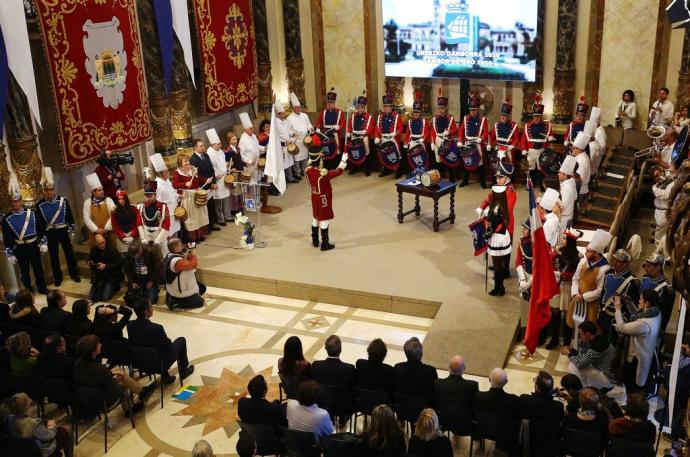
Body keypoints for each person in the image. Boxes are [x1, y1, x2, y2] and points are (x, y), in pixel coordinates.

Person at [73, 334, 153, 415]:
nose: (100, 345)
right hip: (104, 401)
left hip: (88, 400)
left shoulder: (77, 364)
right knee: (122, 381)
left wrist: (112, 376)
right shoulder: (100, 369)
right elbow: (112, 389)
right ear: (93, 351)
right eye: (98, 345)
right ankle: (130, 408)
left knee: (118, 371)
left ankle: (140, 390)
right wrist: (116, 379)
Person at [127, 297, 195, 384]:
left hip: (139, 362)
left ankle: (166, 376)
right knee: (181, 340)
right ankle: (184, 371)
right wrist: (169, 341)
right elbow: (168, 348)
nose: (153, 308)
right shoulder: (156, 328)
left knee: (154, 348)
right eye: (151, 307)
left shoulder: (130, 325)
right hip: (158, 365)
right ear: (146, 312)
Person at [3, 176, 48, 294]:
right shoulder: (6, 218)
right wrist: (9, 253)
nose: (15, 204)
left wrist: (43, 242)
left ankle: (42, 288)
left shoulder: (31, 213)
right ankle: (29, 291)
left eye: (16, 201)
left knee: (38, 268)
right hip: (20, 248)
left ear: (21, 201)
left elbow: (41, 229)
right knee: (24, 271)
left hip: (34, 245)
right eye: (12, 202)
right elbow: (7, 237)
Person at [476, 163, 516, 296]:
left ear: (507, 178)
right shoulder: (498, 187)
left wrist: (490, 212)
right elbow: (489, 197)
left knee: (505, 251)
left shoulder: (509, 191)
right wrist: (482, 207)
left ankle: (504, 272)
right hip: (495, 224)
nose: (498, 180)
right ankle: (501, 269)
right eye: (497, 177)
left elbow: (506, 210)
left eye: (501, 177)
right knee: (500, 254)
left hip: (505, 225)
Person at [36, 166, 80, 286]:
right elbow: (40, 224)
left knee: (69, 254)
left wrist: (72, 230)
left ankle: (74, 273)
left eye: (50, 189)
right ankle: (58, 278)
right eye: (46, 190)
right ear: (44, 191)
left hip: (63, 230)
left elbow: (70, 217)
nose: (48, 192)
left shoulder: (63, 201)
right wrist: (43, 238)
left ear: (53, 189)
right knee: (54, 257)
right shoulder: (40, 205)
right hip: (50, 233)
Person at [614, 289, 662, 393]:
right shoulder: (656, 313)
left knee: (632, 387)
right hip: (648, 355)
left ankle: (632, 406)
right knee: (637, 389)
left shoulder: (644, 324)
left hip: (635, 360)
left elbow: (621, 327)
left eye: (640, 299)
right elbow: (637, 315)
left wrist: (617, 309)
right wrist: (629, 302)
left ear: (647, 303)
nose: (639, 301)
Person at [305, 135, 348, 251]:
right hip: (324, 198)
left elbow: (311, 163)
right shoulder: (322, 174)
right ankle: (325, 244)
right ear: (320, 159)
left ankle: (315, 241)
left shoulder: (308, 171)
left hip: (314, 197)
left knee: (316, 217)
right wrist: (343, 161)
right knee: (324, 219)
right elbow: (338, 172)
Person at [568, 229, 612, 338]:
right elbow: (576, 277)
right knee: (575, 325)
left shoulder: (604, 268)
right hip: (577, 298)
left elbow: (599, 291)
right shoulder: (583, 261)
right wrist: (575, 294)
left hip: (591, 303)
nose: (585, 253)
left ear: (596, 253)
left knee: (589, 330)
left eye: (588, 251)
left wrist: (583, 296)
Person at [5, 392, 73, 457]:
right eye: (29, 400)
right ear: (26, 406)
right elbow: (49, 436)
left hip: (20, 450)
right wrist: (51, 426)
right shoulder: (35, 423)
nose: (31, 401)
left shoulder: (8, 419)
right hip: (41, 451)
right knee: (68, 428)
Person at [518, 370, 565, 457]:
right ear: (550, 389)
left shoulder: (524, 399)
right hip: (548, 446)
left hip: (527, 442)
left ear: (536, 387)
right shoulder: (558, 407)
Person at [599, 247, 641, 341]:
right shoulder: (608, 273)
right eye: (614, 260)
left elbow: (632, 307)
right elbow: (603, 292)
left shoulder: (633, 282)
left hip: (618, 319)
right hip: (604, 314)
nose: (614, 263)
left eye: (618, 261)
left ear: (625, 263)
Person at [474, 368, 519, 455]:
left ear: (489, 380)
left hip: (481, 430)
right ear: (506, 382)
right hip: (503, 434)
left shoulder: (479, 396)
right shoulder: (512, 400)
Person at [560, 320, 617, 388]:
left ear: (587, 333)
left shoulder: (597, 346)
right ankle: (588, 386)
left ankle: (583, 390)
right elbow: (585, 357)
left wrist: (569, 354)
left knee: (573, 367)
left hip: (608, 379)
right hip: (610, 374)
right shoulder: (599, 339)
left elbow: (580, 364)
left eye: (580, 334)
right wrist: (573, 351)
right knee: (577, 364)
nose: (579, 337)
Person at [433, 355, 478, 433]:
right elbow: (474, 406)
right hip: (463, 424)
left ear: (449, 368)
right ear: (464, 369)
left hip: (442, 422)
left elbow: (434, 403)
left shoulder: (438, 383)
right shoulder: (472, 386)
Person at [554, 230, 583, 347]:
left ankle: (566, 343)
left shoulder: (578, 257)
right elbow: (551, 262)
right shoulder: (558, 251)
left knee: (566, 314)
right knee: (554, 311)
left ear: (570, 241)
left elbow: (576, 275)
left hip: (568, 286)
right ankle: (554, 340)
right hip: (556, 284)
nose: (562, 240)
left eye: (565, 238)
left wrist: (563, 275)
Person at [172, 154, 210, 243]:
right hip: (188, 196)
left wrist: (206, 180)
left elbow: (198, 178)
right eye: (185, 161)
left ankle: (200, 235)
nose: (187, 162)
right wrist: (185, 184)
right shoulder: (177, 172)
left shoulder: (193, 169)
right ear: (180, 163)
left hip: (197, 194)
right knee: (192, 217)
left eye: (188, 160)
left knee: (199, 215)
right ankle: (193, 237)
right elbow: (175, 184)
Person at [521, 95, 554, 192]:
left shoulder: (547, 126)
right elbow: (523, 139)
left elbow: (550, 135)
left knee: (541, 170)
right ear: (533, 116)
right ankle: (530, 185)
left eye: (539, 117)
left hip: (542, 151)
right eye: (535, 117)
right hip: (531, 151)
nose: (537, 119)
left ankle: (542, 186)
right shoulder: (527, 126)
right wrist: (523, 149)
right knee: (530, 170)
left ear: (541, 116)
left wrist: (551, 138)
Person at [163, 238, 206, 310]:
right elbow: (193, 265)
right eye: (180, 246)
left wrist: (189, 251)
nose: (182, 246)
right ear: (176, 249)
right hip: (180, 290)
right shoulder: (177, 262)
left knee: (202, 288)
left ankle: (172, 298)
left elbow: (184, 259)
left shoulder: (169, 254)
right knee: (200, 302)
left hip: (174, 287)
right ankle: (177, 303)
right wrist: (193, 253)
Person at [457, 92, 489, 188]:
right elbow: (461, 130)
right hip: (467, 143)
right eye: (471, 110)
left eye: (474, 110)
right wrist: (459, 140)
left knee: (480, 163)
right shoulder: (466, 118)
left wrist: (482, 138)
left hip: (477, 144)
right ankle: (465, 180)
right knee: (467, 162)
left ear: (477, 109)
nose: (472, 112)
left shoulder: (483, 119)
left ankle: (482, 182)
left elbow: (486, 132)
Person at [393, 337, 438, 403]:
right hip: (423, 411)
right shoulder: (430, 371)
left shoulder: (398, 368)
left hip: (401, 409)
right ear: (421, 354)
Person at [190, 137, 220, 231]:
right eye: (201, 146)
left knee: (212, 205)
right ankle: (208, 226)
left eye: (203, 145)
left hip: (211, 184)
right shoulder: (193, 160)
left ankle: (213, 223)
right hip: (203, 186)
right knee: (205, 207)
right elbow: (198, 175)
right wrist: (209, 184)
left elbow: (211, 170)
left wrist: (214, 182)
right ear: (195, 147)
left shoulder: (206, 155)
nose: (203, 147)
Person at [640, 252, 675, 331]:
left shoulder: (667, 288)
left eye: (649, 266)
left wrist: (660, 331)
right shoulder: (645, 278)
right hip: (639, 321)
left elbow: (665, 314)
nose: (645, 269)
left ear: (659, 267)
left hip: (653, 327)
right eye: (645, 266)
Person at [137, 177, 171, 256]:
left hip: (159, 236)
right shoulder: (141, 207)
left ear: (155, 195)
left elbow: (166, 225)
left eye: (150, 196)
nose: (148, 198)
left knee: (162, 257)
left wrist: (158, 241)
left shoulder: (163, 207)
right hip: (146, 237)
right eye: (146, 196)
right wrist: (143, 239)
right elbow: (139, 223)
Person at [150, 152, 180, 240]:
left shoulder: (167, 180)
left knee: (175, 231)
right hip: (166, 213)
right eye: (166, 172)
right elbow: (157, 201)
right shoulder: (157, 185)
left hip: (174, 210)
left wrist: (178, 196)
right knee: (168, 234)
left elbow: (171, 193)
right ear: (160, 174)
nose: (168, 173)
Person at [488, 99, 521, 179]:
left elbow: (517, 139)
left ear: (508, 116)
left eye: (505, 115)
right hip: (498, 148)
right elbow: (491, 136)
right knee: (495, 164)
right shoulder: (497, 124)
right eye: (502, 115)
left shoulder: (514, 126)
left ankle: (510, 182)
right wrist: (489, 144)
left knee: (509, 165)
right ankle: (495, 181)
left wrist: (512, 146)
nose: (503, 117)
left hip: (508, 149)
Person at [206, 128, 233, 225]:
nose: (220, 146)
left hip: (224, 177)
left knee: (226, 198)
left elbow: (222, 162)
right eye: (218, 144)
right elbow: (211, 168)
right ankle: (220, 219)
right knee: (218, 200)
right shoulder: (209, 154)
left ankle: (228, 216)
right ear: (213, 145)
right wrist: (216, 176)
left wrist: (228, 164)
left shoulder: (220, 151)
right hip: (217, 179)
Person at [123, 241, 163, 305]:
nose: (133, 258)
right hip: (136, 279)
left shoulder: (150, 251)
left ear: (140, 251)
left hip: (149, 278)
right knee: (130, 299)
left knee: (151, 300)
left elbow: (158, 267)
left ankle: (151, 290)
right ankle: (143, 292)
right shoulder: (129, 254)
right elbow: (127, 270)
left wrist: (151, 281)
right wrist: (132, 282)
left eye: (135, 256)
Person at [431, 92, 460, 181]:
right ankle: (438, 177)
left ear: (445, 109)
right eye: (439, 108)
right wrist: (432, 142)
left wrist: (448, 132)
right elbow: (432, 131)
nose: (440, 110)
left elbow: (455, 129)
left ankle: (452, 178)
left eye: (442, 108)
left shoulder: (450, 118)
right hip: (437, 140)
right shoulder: (435, 118)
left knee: (448, 160)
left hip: (447, 141)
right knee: (438, 161)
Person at [82, 172, 116, 247]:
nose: (102, 192)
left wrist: (106, 229)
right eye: (99, 190)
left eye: (102, 189)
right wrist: (96, 230)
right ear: (93, 192)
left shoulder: (108, 200)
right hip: (95, 235)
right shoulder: (87, 203)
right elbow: (86, 218)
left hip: (109, 233)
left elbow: (113, 215)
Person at [316, 87, 346, 170]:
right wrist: (318, 128)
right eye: (328, 103)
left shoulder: (339, 112)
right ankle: (326, 165)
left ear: (334, 103)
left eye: (331, 103)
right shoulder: (324, 112)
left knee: (336, 150)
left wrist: (339, 126)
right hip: (325, 134)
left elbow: (343, 123)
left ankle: (336, 165)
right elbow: (319, 122)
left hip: (335, 133)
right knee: (326, 150)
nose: (329, 105)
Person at [374, 94, 403, 177]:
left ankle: (398, 170)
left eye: (388, 106)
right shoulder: (380, 116)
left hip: (392, 139)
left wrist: (395, 133)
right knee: (384, 154)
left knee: (397, 154)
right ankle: (386, 169)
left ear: (391, 107)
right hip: (383, 138)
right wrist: (376, 136)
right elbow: (377, 128)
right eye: (385, 106)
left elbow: (400, 128)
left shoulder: (396, 116)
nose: (386, 108)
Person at [87, 233, 122, 302]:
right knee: (92, 296)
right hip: (98, 275)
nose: (102, 245)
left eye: (103, 242)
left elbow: (119, 264)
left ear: (105, 240)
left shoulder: (112, 250)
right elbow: (90, 259)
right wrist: (90, 263)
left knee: (105, 297)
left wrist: (106, 266)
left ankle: (114, 286)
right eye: (99, 244)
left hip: (110, 276)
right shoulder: (93, 249)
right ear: (96, 243)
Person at [286, 92, 314, 178]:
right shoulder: (289, 118)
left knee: (305, 156)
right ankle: (297, 173)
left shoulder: (304, 115)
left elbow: (308, 124)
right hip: (296, 140)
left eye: (299, 107)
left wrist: (310, 128)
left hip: (305, 139)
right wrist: (293, 133)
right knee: (297, 158)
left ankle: (304, 170)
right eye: (296, 108)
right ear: (293, 108)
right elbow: (288, 131)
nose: (298, 109)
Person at [346, 92, 374, 175]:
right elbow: (350, 125)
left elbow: (371, 127)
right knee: (352, 150)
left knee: (366, 151)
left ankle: (367, 168)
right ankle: (354, 167)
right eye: (358, 107)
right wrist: (348, 132)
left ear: (364, 108)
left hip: (363, 136)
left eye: (361, 107)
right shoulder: (353, 115)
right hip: (354, 135)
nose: (359, 109)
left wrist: (366, 131)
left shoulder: (369, 116)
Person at [403, 98, 431, 175]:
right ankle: (414, 172)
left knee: (422, 158)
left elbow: (427, 132)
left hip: (421, 142)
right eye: (414, 112)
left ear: (421, 113)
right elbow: (407, 133)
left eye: (418, 113)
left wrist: (423, 139)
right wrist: (405, 142)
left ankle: (423, 172)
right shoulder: (410, 121)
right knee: (413, 158)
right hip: (412, 142)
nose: (416, 114)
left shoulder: (424, 121)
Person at [274, 98, 298, 183]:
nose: (285, 114)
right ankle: (285, 180)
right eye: (283, 113)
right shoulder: (275, 124)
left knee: (290, 162)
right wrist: (285, 142)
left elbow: (288, 131)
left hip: (289, 145)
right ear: (278, 114)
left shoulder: (285, 121)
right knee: (284, 164)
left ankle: (291, 177)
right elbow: (276, 137)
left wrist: (293, 134)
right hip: (281, 146)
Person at [651, 161, 674, 248]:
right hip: (660, 209)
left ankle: (659, 250)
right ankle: (658, 246)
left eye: (671, 165)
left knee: (661, 234)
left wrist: (654, 188)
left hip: (664, 211)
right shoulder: (670, 176)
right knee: (659, 231)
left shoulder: (673, 182)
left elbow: (666, 195)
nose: (668, 167)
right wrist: (658, 176)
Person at [111, 189, 141, 253]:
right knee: (125, 256)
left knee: (136, 253)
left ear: (126, 199)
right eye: (119, 199)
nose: (121, 201)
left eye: (123, 199)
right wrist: (122, 236)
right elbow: (115, 225)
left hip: (134, 235)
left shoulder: (133, 208)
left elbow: (137, 223)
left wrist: (132, 235)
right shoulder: (114, 211)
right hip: (122, 237)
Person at [239, 113, 264, 185]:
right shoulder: (242, 140)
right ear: (246, 129)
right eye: (251, 128)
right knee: (251, 182)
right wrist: (249, 161)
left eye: (252, 128)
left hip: (257, 161)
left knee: (257, 179)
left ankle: (257, 195)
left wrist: (265, 148)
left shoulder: (253, 136)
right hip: (250, 165)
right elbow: (242, 154)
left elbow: (257, 146)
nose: (253, 129)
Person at [224, 132, 245, 218]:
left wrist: (244, 165)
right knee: (234, 191)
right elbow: (225, 163)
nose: (235, 141)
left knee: (240, 190)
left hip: (240, 171)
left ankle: (240, 207)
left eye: (236, 139)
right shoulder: (227, 151)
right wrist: (230, 167)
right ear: (229, 141)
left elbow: (239, 159)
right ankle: (234, 209)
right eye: (233, 139)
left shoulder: (238, 148)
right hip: (233, 174)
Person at [571, 131, 592, 209]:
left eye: (573, 148)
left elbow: (579, 180)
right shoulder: (580, 156)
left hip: (580, 191)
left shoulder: (581, 160)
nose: (571, 150)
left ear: (579, 149)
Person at [558, 155, 578, 230]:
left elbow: (562, 206)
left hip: (564, 218)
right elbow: (575, 197)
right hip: (569, 214)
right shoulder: (572, 181)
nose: (558, 174)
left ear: (565, 175)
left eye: (560, 173)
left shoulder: (567, 188)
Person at [515, 219, 534, 301]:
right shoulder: (522, 242)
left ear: (531, 232)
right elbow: (518, 261)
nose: (522, 230)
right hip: (524, 276)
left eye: (525, 229)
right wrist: (522, 280)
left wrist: (529, 283)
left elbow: (540, 268)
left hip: (534, 278)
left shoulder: (536, 247)